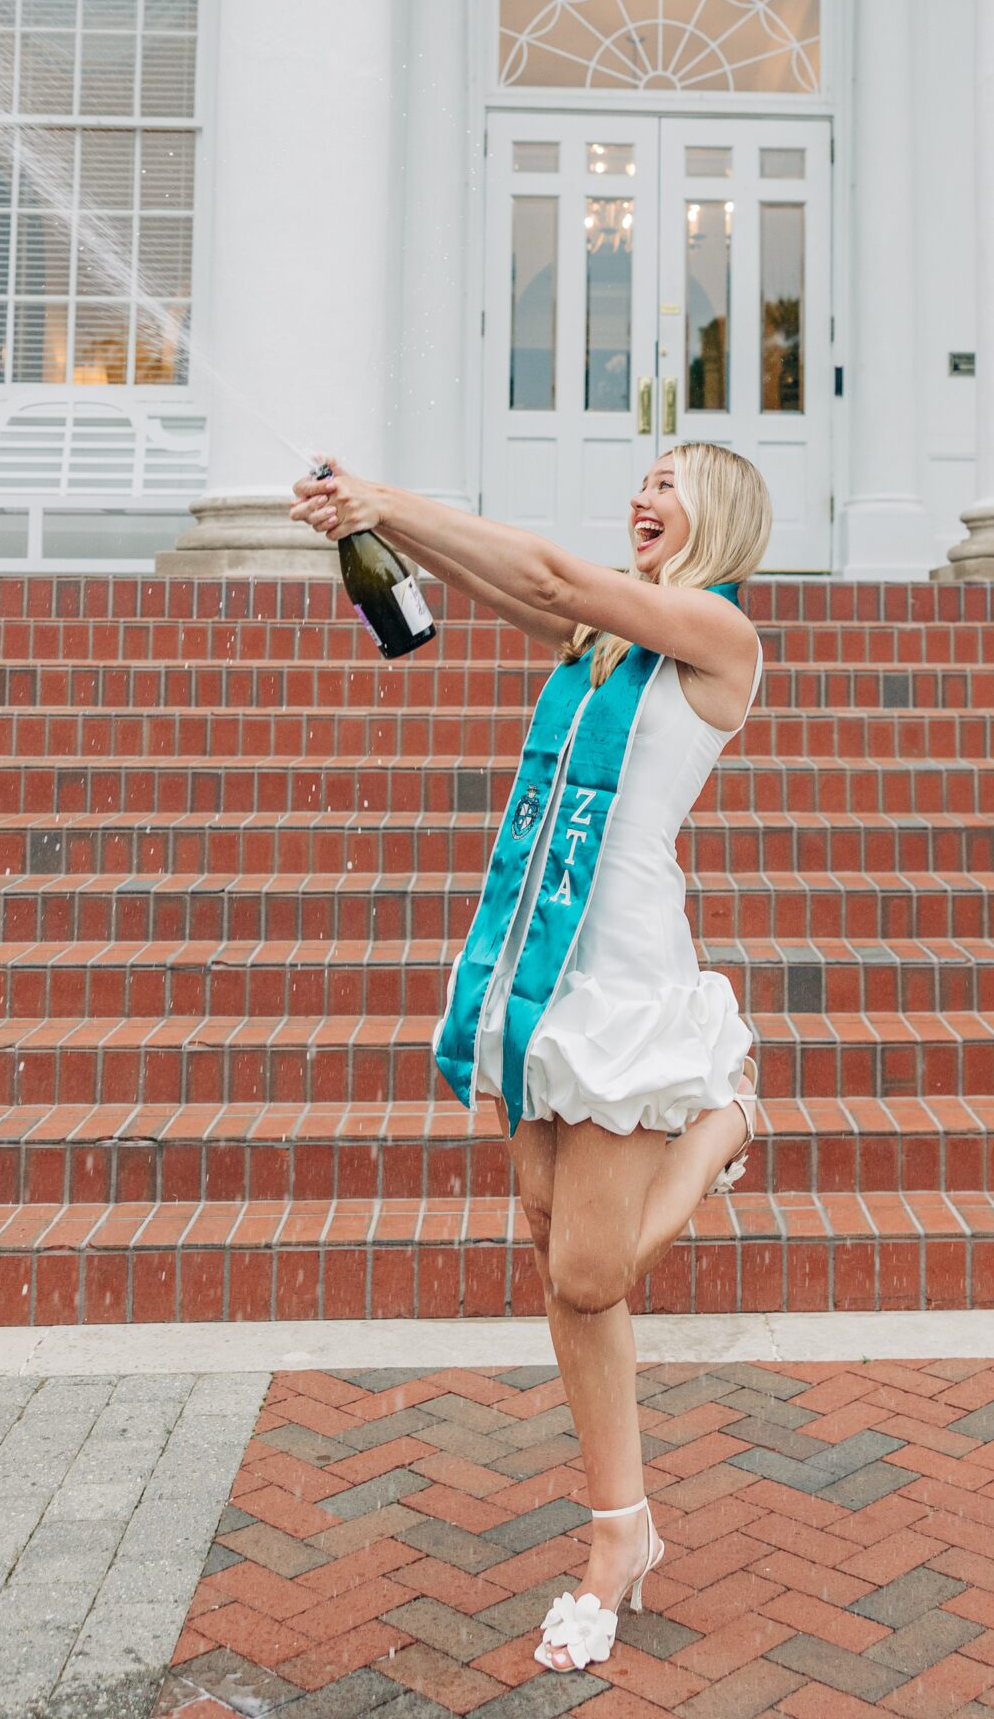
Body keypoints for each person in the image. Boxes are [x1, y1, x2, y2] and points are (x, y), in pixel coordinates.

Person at [291, 443, 772, 1673]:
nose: (644, 497)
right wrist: (371, 526)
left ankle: (721, 1125)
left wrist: (391, 496)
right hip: (538, 962)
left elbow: (556, 580)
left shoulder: (718, 641)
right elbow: (522, 594)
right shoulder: (606, 644)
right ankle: (624, 1527)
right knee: (555, 1246)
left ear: (717, 514)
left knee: (590, 1271)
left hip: (621, 979)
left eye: (672, 482)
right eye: (642, 480)